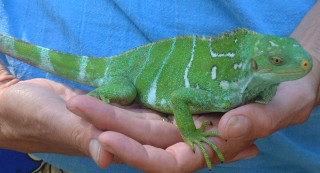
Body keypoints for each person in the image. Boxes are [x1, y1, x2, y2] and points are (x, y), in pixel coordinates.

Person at [0, 1, 318, 173]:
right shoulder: (223, 91)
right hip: (58, 156)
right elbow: (180, 97)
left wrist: (314, 49)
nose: (302, 67)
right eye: (277, 62)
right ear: (255, 65)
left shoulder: (245, 84)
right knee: (122, 94)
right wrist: (192, 135)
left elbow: (301, 64)